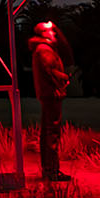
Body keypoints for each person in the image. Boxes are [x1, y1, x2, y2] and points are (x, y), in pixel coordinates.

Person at [29, 20, 72, 182]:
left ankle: (50, 169)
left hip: (48, 94)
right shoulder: (44, 50)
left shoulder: (41, 49)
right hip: (52, 94)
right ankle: (51, 171)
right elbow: (51, 71)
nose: (54, 33)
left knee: (48, 132)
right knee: (52, 133)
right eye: (51, 30)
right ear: (44, 33)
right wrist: (64, 78)